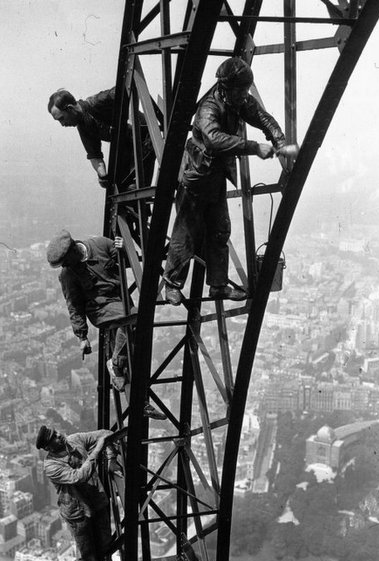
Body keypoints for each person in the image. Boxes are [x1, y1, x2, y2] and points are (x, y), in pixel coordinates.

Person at [163, 56, 297, 306]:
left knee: (219, 230)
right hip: (196, 177)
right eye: (242, 90)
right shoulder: (208, 108)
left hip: (214, 176)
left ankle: (218, 286)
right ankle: (172, 285)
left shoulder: (238, 99)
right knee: (186, 233)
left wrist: (280, 142)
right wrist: (254, 147)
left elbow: (261, 117)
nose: (246, 95)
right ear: (228, 88)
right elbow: (215, 140)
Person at [46, 229, 166, 420]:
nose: (65, 266)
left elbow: (127, 263)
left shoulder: (100, 244)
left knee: (134, 352)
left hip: (121, 302)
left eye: (65, 261)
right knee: (136, 321)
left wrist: (124, 249)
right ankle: (116, 363)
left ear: (74, 250)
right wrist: (82, 337)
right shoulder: (68, 275)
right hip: (100, 310)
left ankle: (139, 401)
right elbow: (74, 305)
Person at [35, 425, 113, 561]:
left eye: (56, 432)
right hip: (77, 511)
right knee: (86, 549)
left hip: (96, 499)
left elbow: (106, 434)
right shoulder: (51, 466)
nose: (59, 435)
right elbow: (78, 476)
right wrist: (98, 450)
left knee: (104, 540)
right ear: (48, 448)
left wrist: (111, 456)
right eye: (54, 437)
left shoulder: (75, 439)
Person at [47, 87, 154, 198]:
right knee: (123, 191)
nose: (62, 124)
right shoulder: (84, 127)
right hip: (127, 148)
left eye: (61, 118)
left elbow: (129, 88)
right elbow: (95, 156)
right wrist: (102, 175)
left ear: (70, 108)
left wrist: (131, 119)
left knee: (134, 189)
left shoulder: (97, 101)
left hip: (146, 136)